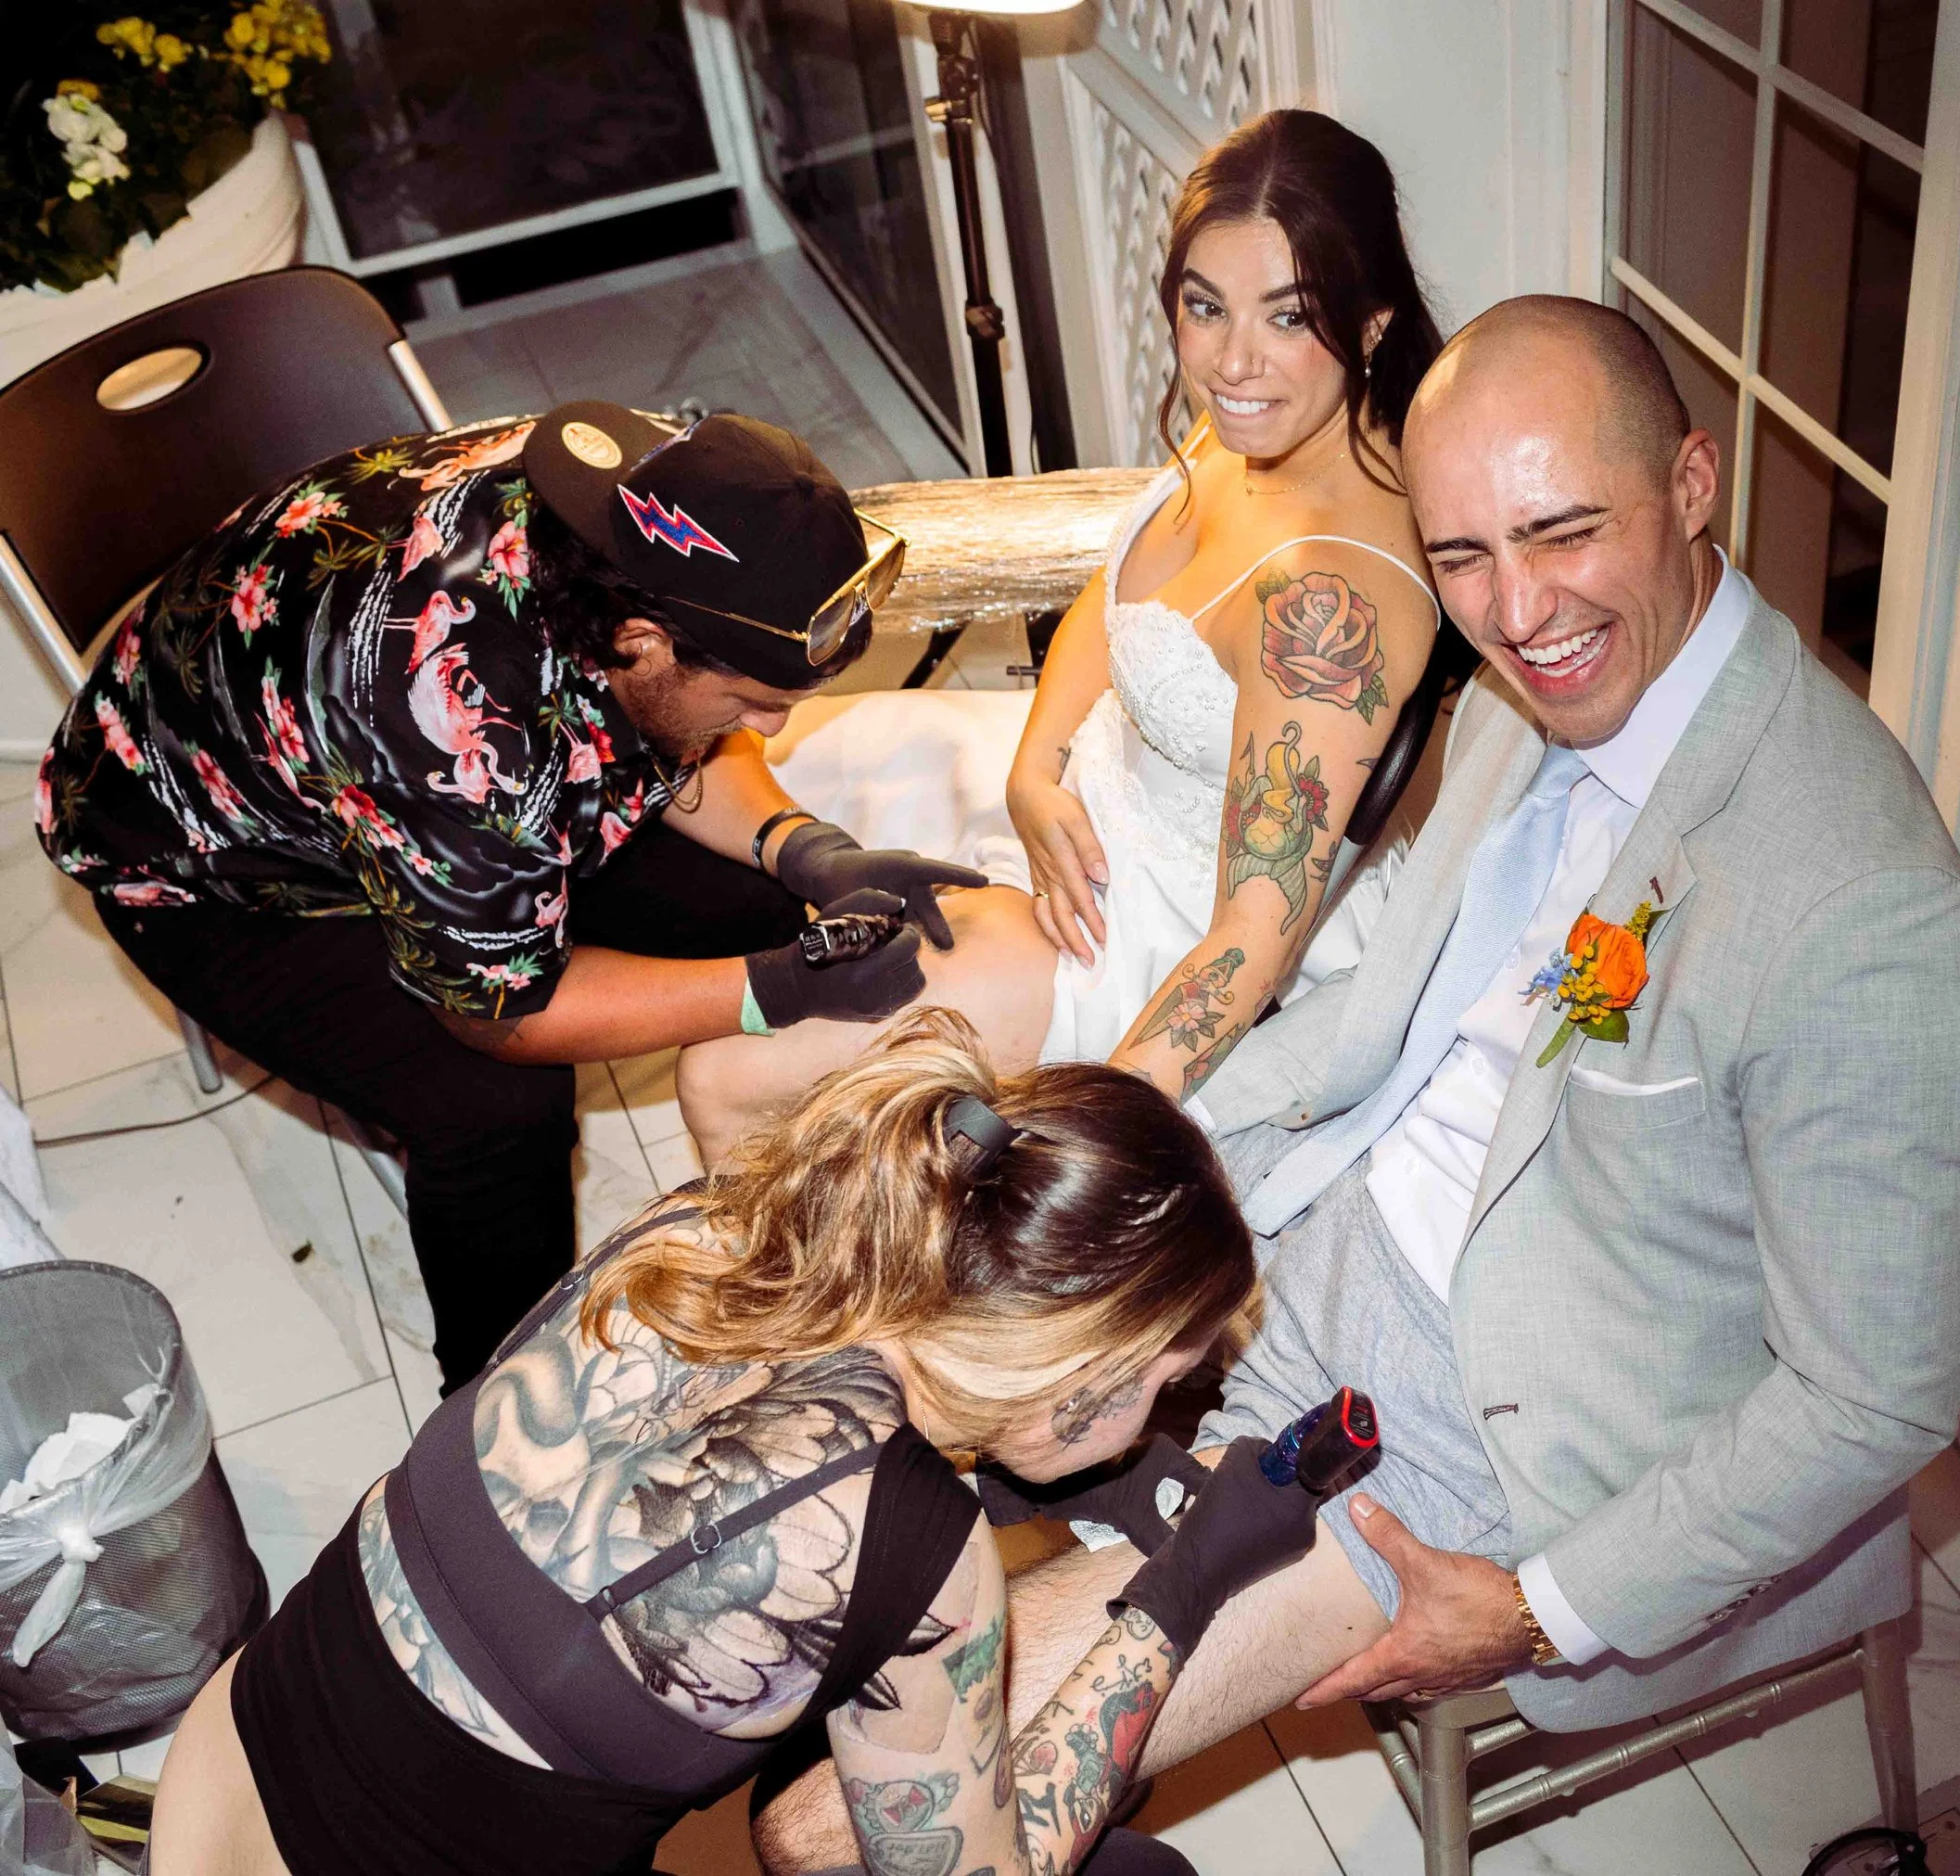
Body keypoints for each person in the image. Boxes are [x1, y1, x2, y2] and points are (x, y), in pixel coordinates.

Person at [750, 297, 1960, 1869]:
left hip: (1479, 1434)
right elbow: (1357, 1037)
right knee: (824, 1459)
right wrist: (1130, 1127)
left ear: (1694, 484)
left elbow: (1876, 1395)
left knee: (835, 1828)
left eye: (1563, 532)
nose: (1516, 607)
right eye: (1464, 554)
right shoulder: (1515, 694)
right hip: (1303, 1237)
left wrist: (1541, 1605)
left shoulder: (1860, 907)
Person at [149, 1011, 1341, 1876]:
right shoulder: (924, 1565)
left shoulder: (702, 1234)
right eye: (1165, 1387)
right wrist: (1182, 1588)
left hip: (222, 1775)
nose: (1162, 1415)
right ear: (1072, 1378)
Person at [34, 402, 981, 1388]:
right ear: (643, 640)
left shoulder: (664, 496)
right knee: (496, 1104)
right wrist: (776, 990)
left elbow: (677, 743)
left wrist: (798, 847)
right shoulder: (448, 715)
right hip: (216, 870)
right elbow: (501, 1014)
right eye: (752, 701)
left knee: (755, 906)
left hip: (394, 769)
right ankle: (491, 1400)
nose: (769, 729)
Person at [676, 108, 1446, 1161]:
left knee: (722, 1076)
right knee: (767, 815)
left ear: (1368, 325)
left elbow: (1248, 945)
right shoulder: (1256, 423)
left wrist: (1097, 1129)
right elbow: (1113, 602)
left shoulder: (1328, 603)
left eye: (1287, 316)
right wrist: (1034, 774)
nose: (1231, 361)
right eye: (1204, 306)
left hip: (1133, 935)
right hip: (1081, 802)